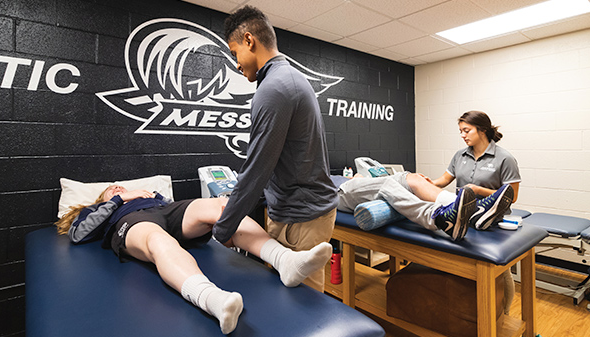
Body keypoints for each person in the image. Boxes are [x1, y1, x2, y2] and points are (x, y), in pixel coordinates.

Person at [55, 185, 333, 335]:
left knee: (220, 207)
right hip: (131, 222)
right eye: (110, 189)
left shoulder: (148, 195)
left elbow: (174, 209)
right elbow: (79, 235)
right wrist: (117, 201)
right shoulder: (103, 208)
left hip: (166, 210)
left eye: (120, 187)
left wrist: (154, 197)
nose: (117, 187)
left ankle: (285, 261)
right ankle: (214, 300)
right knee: (158, 241)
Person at [214, 5, 338, 292]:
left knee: (303, 308)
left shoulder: (274, 89)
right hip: (302, 212)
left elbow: (257, 169)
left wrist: (222, 231)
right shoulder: (291, 79)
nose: (236, 64)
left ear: (249, 40)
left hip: (301, 219)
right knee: (293, 301)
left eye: (235, 54)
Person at [430, 110, 521, 314]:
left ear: (483, 130)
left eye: (466, 130)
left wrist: (477, 190)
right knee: (464, 266)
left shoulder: (504, 158)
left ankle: (503, 311)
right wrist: (426, 183)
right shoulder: (460, 155)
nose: (462, 135)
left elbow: (512, 196)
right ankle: (468, 309)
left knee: (497, 269)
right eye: (461, 131)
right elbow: (444, 180)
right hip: (464, 215)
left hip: (493, 221)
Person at [337, 171, 514, 241]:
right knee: (390, 183)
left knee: (412, 178)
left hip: (351, 184)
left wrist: (360, 178)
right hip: (339, 190)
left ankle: (475, 214)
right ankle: (438, 218)